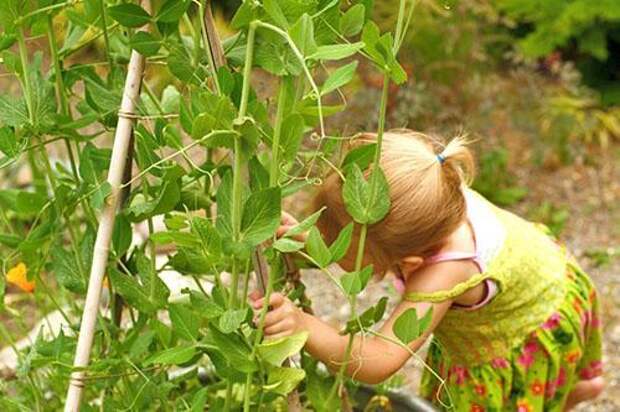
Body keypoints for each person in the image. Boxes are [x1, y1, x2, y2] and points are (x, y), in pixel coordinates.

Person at [249, 130, 604, 411]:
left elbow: (379, 360)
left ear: (411, 263)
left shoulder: (444, 274)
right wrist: (308, 241)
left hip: (522, 325)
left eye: (334, 240)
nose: (323, 240)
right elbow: (365, 239)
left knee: (515, 393)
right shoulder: (433, 190)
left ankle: (562, 391)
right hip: (552, 275)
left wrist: (303, 326)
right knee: (562, 379)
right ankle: (575, 385)